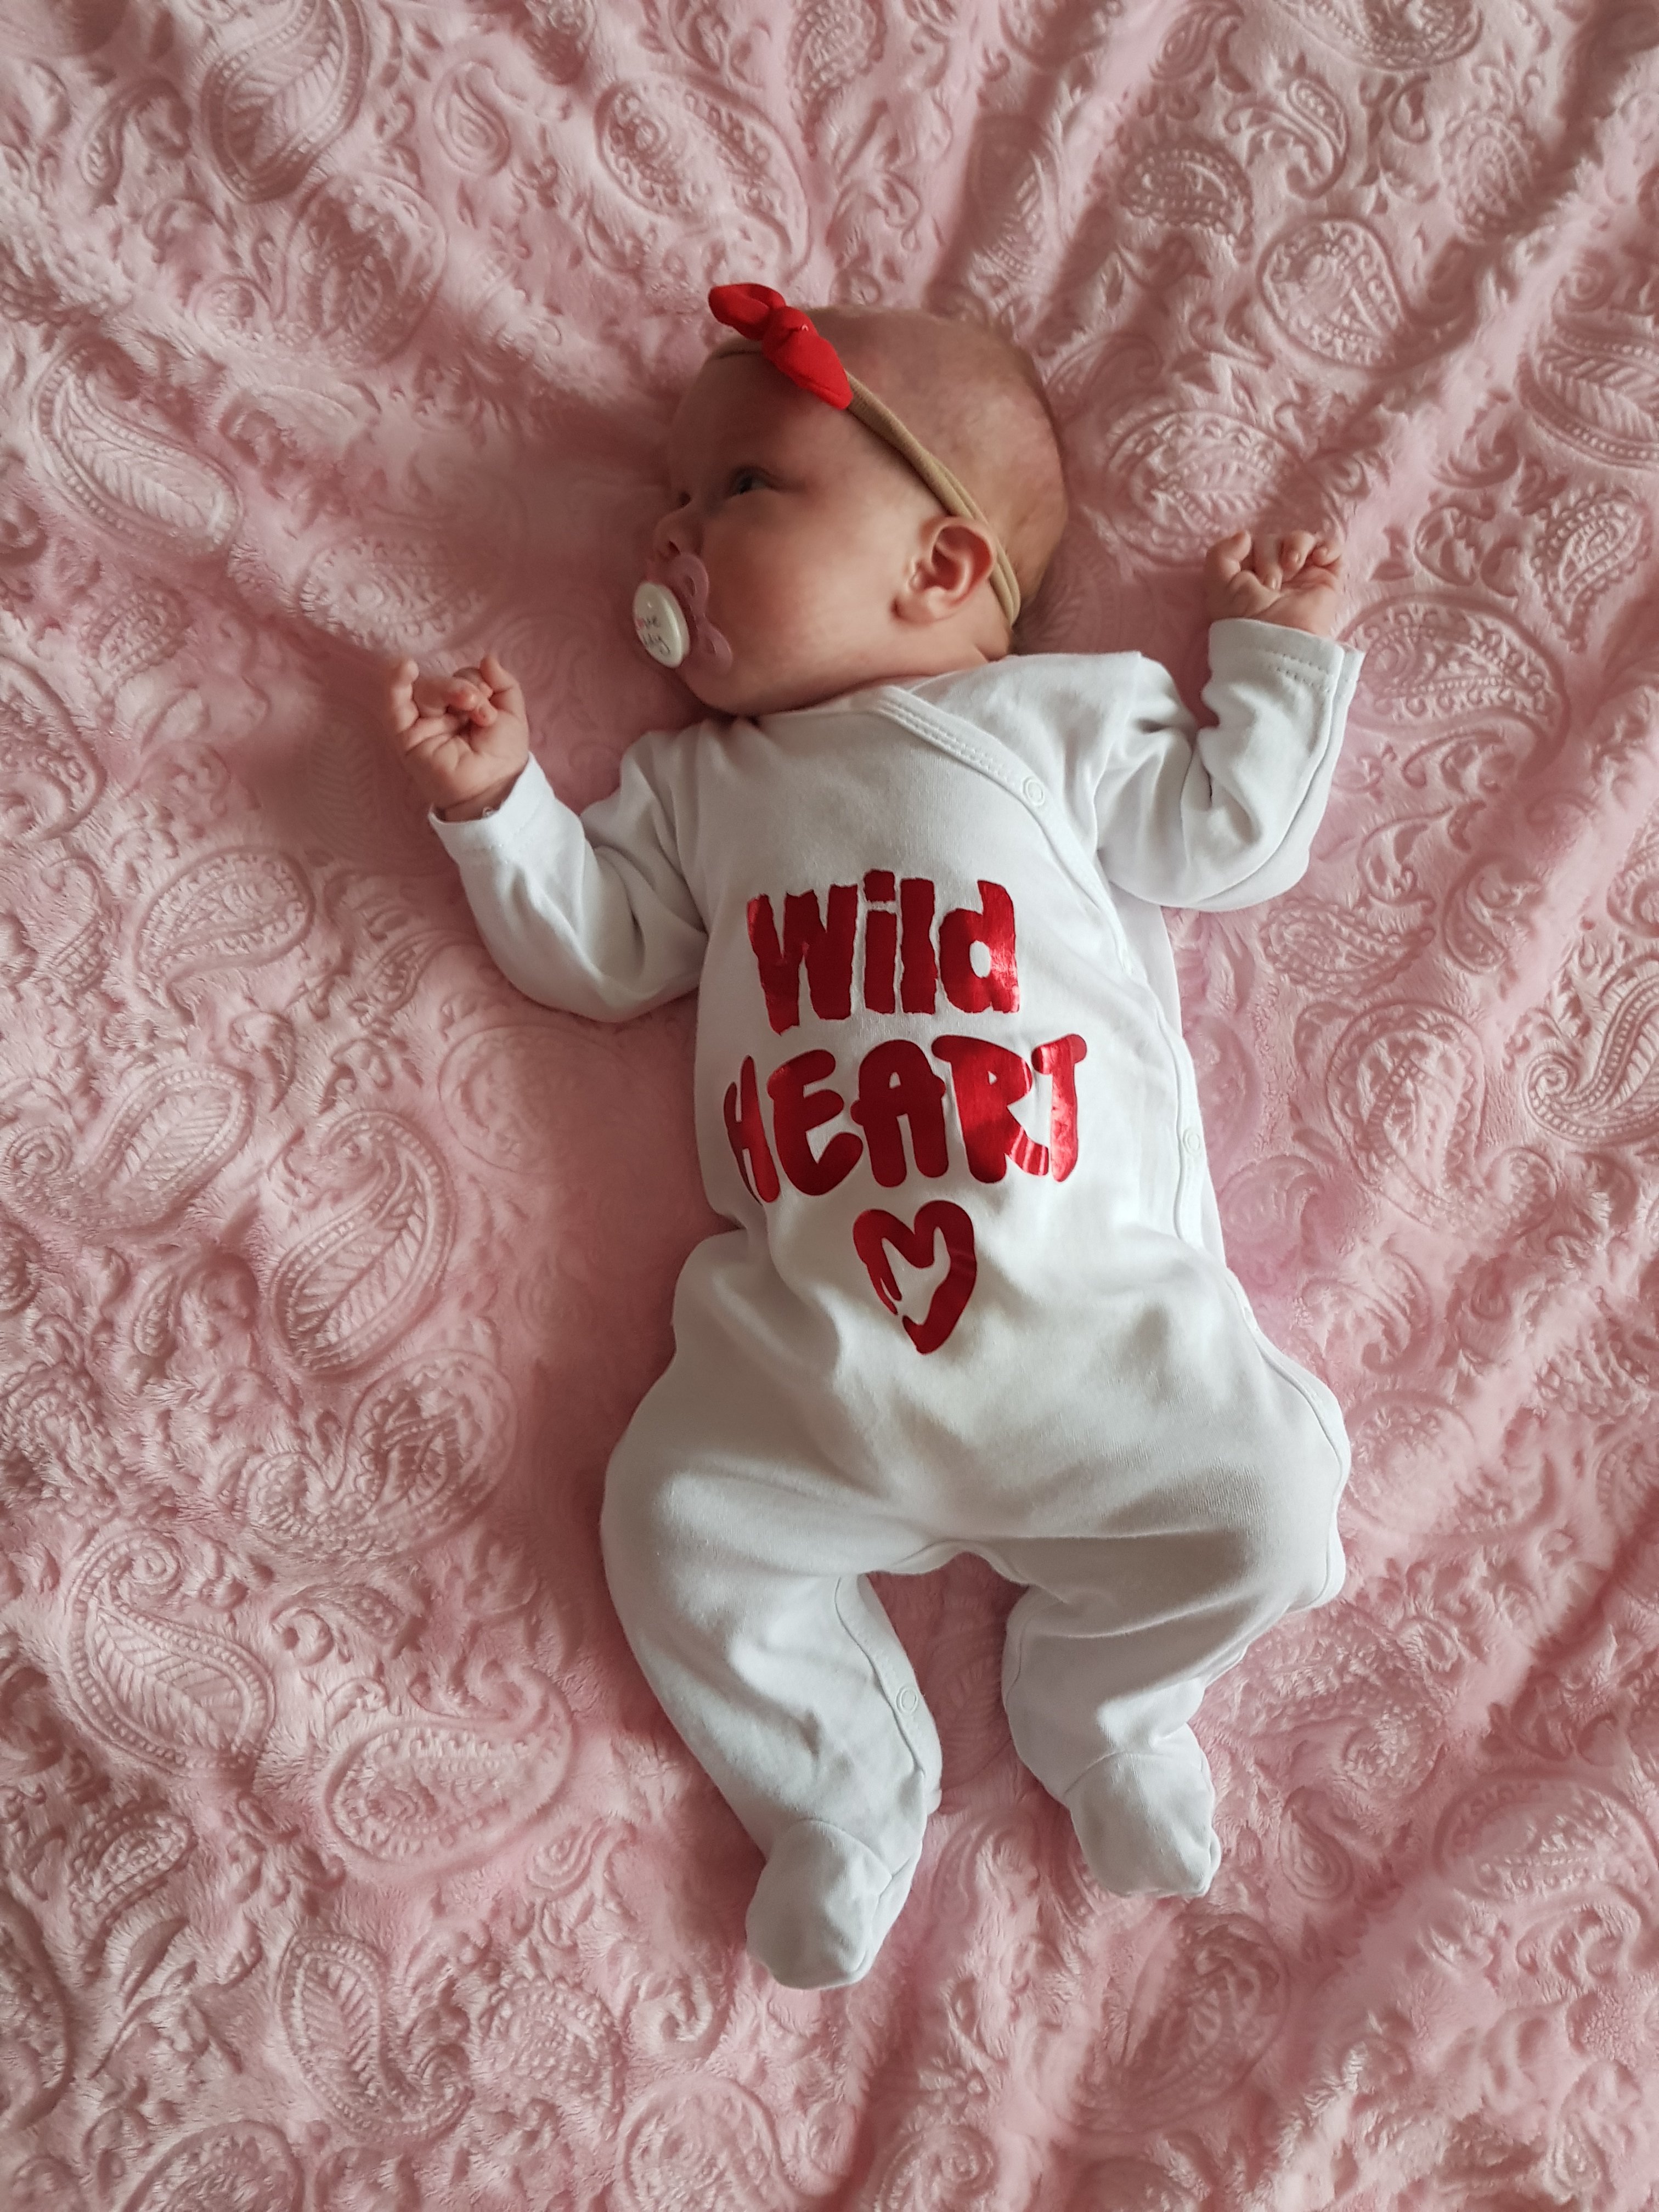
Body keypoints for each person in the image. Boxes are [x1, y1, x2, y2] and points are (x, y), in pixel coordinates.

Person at [382, 284, 1363, 1989]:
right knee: (669, 1522)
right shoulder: (704, 791)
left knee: (1280, 1509)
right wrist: (501, 810)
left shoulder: (1056, 722)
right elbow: (600, 957)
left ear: (941, 566)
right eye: (675, 500)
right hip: (816, 1360)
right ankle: (836, 1789)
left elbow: (1225, 838)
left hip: (1090, 1343)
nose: (674, 534)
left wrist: (1276, 662)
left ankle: (1101, 1704)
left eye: (742, 490)